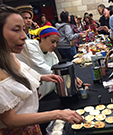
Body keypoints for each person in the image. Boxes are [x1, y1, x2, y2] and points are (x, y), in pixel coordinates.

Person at [0, 4, 84, 134]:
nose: (23, 36)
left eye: (24, 29)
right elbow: (10, 120)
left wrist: (42, 77)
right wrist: (57, 114)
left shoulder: (10, 55)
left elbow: (23, 71)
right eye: (16, 30)